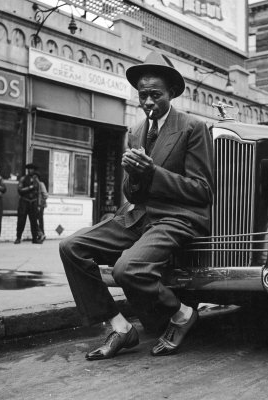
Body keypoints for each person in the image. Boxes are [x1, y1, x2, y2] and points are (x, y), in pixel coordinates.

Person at [59, 51, 214, 360]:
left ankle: (182, 314)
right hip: (139, 217)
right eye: (143, 95)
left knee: (127, 269)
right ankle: (120, 326)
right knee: (71, 247)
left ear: (170, 92)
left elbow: (202, 191)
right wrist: (134, 175)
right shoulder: (136, 132)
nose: (147, 102)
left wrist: (152, 172)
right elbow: (133, 194)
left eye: (155, 95)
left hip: (177, 218)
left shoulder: (193, 128)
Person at [15, 163, 42, 244]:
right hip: (24, 201)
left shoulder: (36, 180)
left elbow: (39, 192)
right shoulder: (23, 178)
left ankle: (35, 238)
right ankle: (18, 237)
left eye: (32, 169)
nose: (31, 170)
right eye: (29, 169)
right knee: (21, 220)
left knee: (34, 221)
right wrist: (30, 188)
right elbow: (20, 190)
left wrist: (39, 204)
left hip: (33, 202)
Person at [34, 172, 48, 242]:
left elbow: (45, 195)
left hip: (40, 206)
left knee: (39, 220)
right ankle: (41, 234)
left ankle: (41, 234)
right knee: (37, 220)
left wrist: (40, 204)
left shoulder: (41, 184)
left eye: (35, 177)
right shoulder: (35, 185)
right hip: (36, 205)